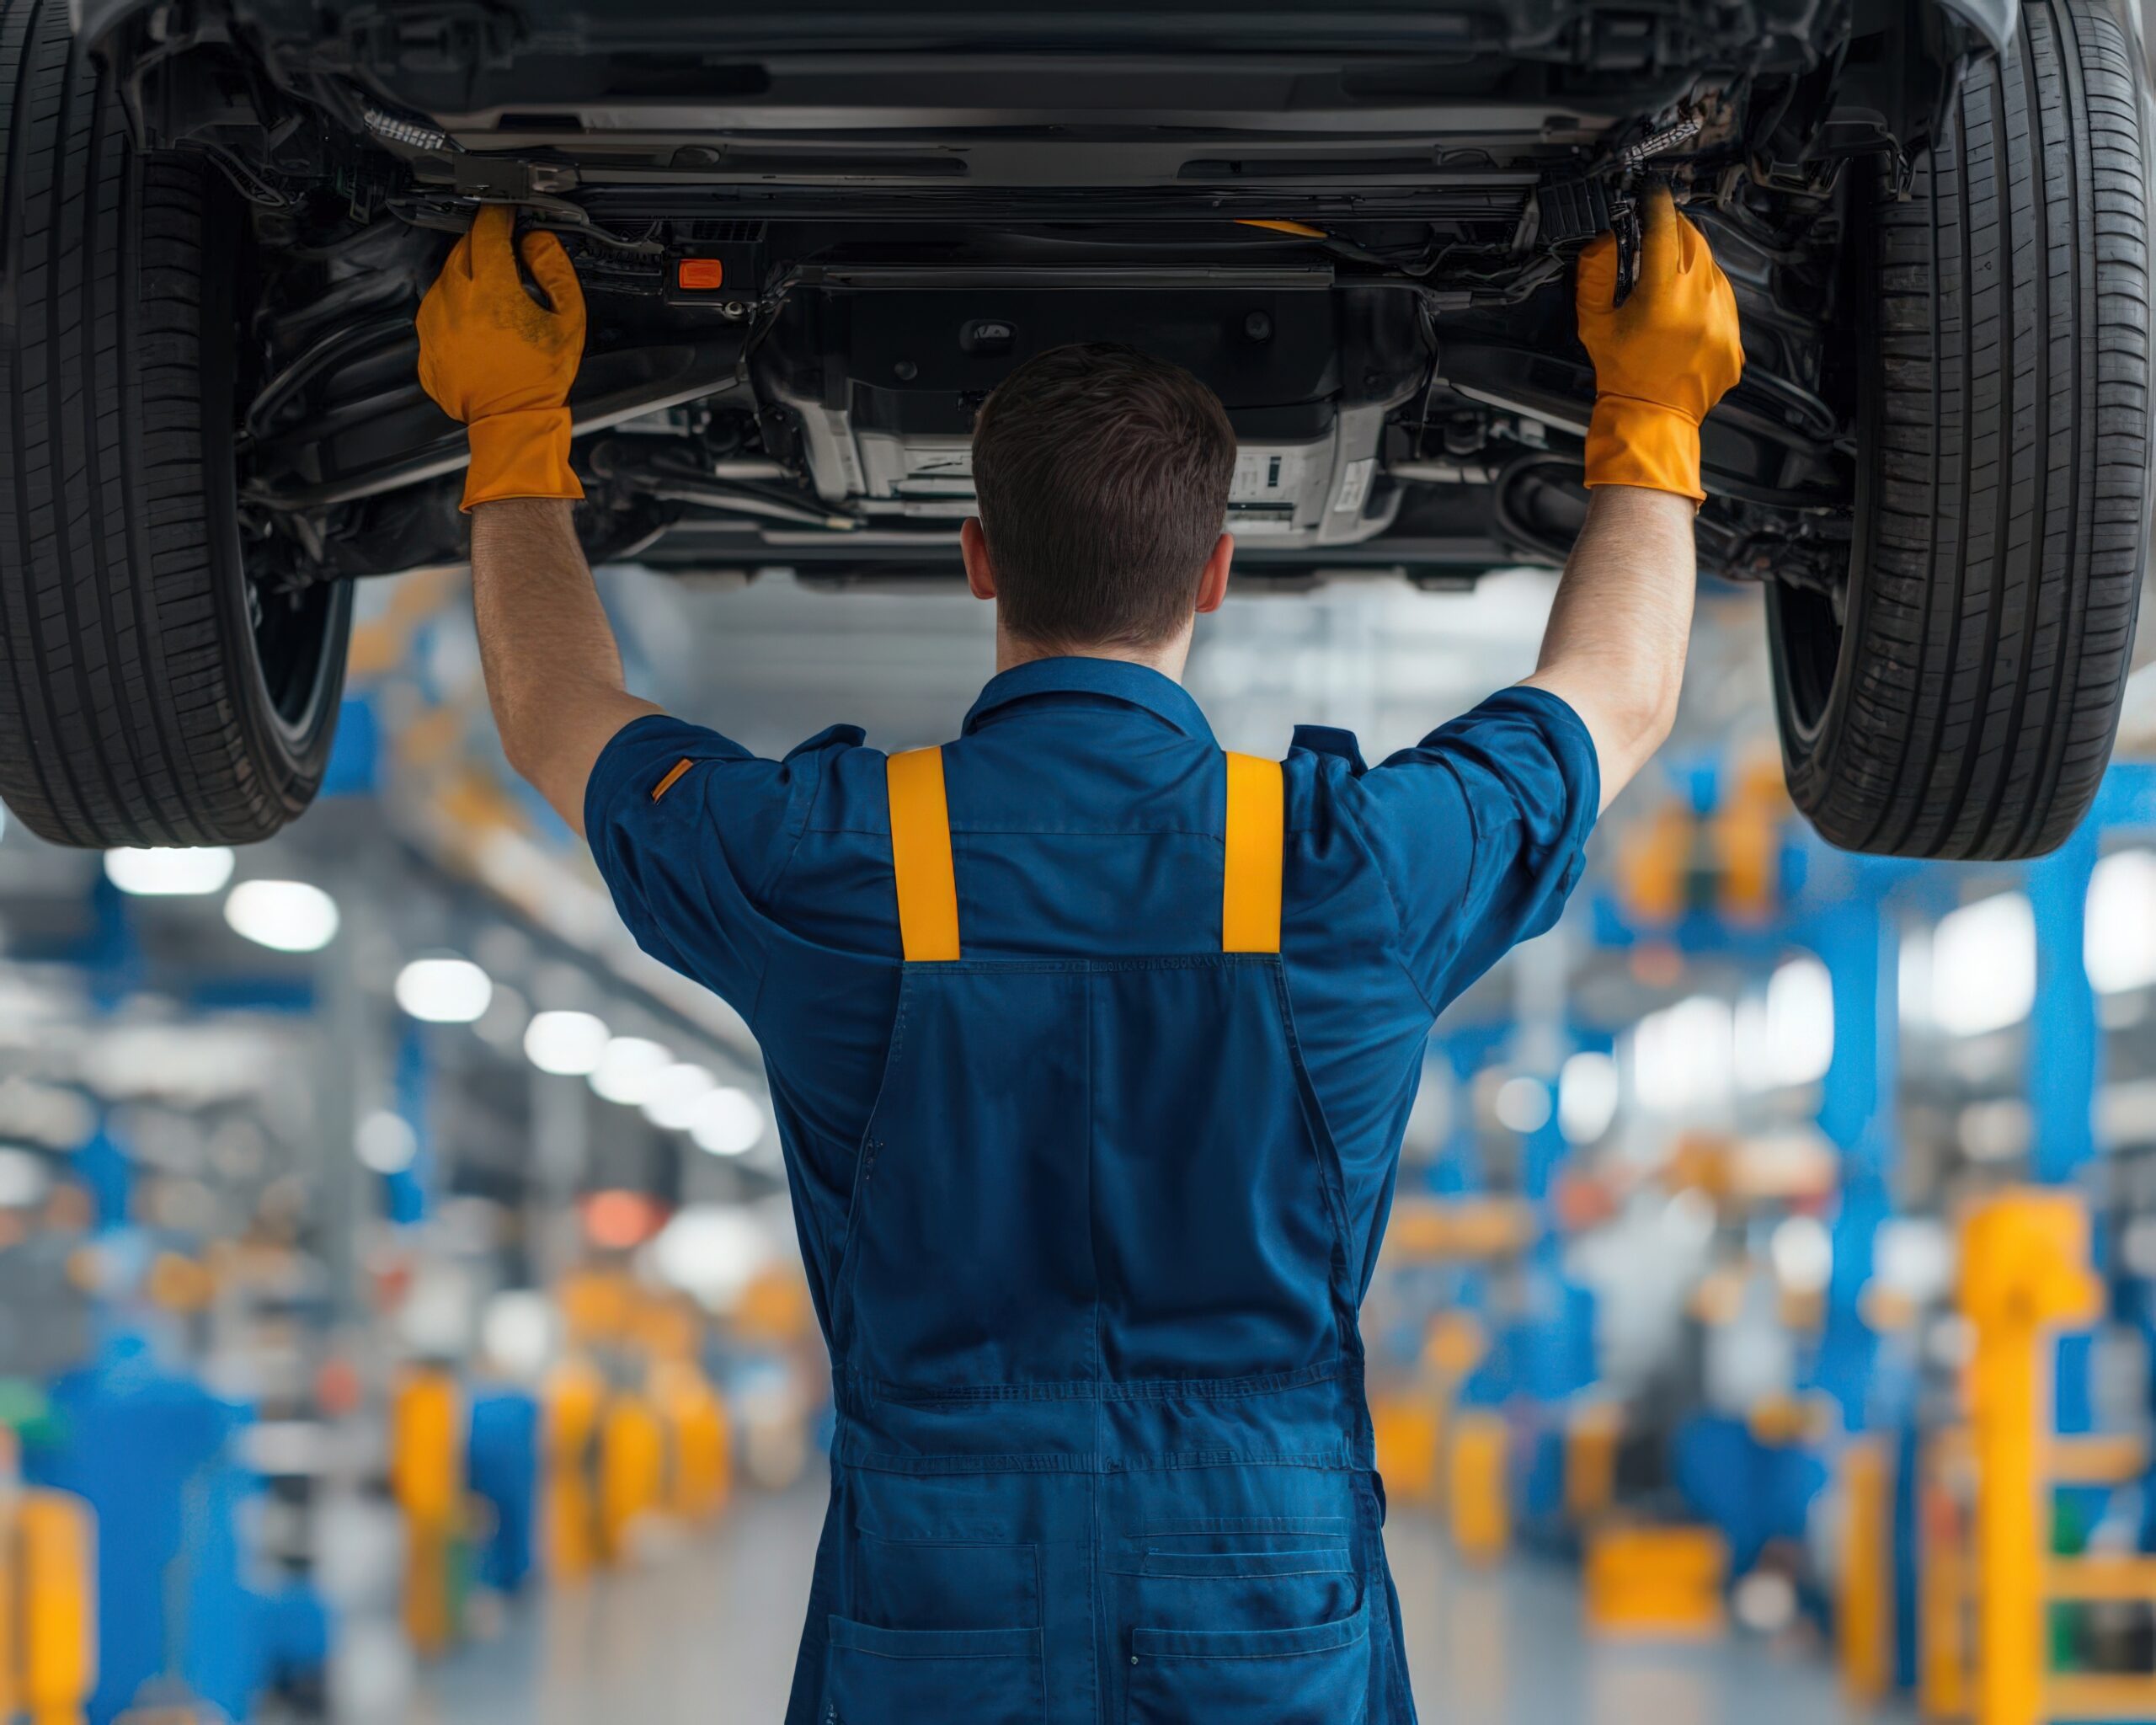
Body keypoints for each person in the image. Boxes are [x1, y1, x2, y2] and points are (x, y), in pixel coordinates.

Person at [415, 190, 1741, 1724]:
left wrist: (515, 428)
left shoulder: (833, 867)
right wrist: (1648, 407)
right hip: (1264, 1573)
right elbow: (1617, 696)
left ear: (980, 559)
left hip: (940, 1581)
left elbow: (556, 719)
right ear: (1215, 572)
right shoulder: (1347, 874)